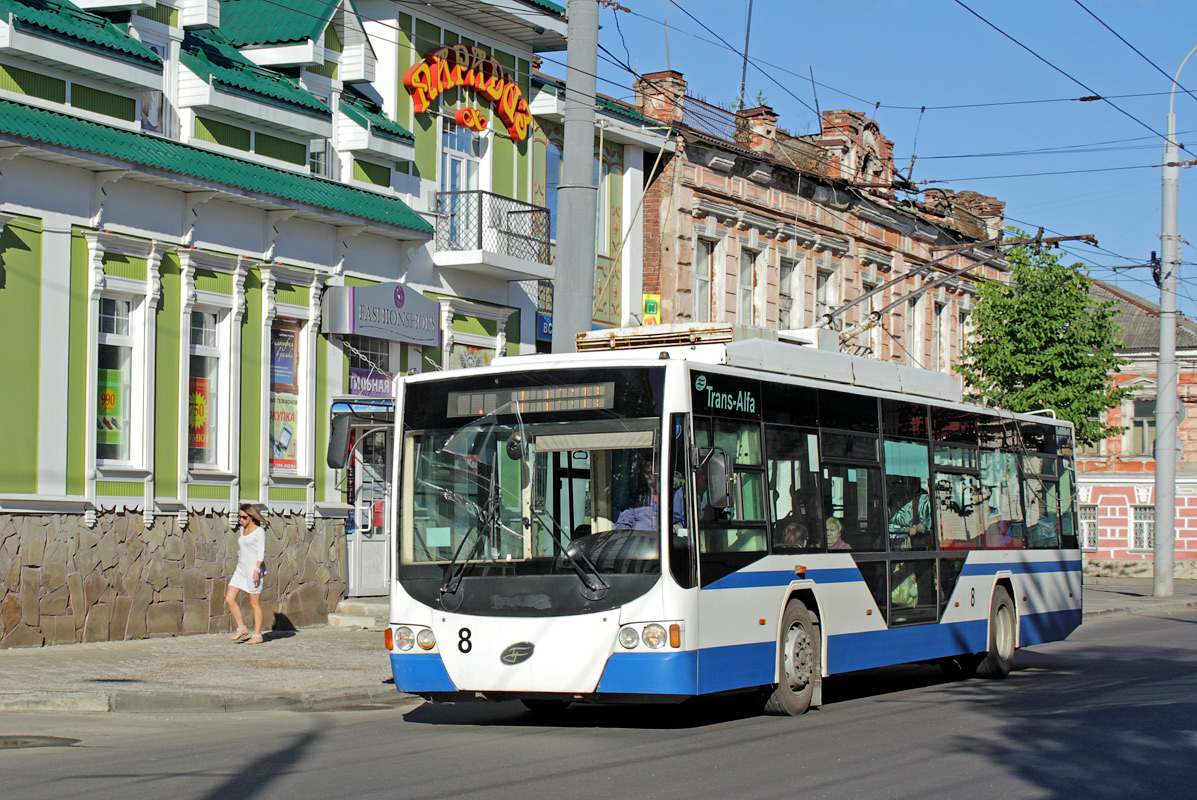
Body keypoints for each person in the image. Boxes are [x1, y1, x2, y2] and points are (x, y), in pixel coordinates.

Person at [225, 503, 267, 644]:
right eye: (240, 517)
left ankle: (257, 635)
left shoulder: (259, 531)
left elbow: (261, 552)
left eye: (244, 517)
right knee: (229, 598)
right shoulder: (242, 530)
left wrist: (257, 570)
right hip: (240, 569)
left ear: (251, 516)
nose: (241, 520)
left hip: (252, 570)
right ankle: (242, 628)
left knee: (254, 603)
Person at [615, 462, 684, 531]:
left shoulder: (677, 494)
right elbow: (623, 523)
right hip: (638, 538)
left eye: (651, 472)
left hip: (665, 540)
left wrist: (672, 530)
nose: (648, 476)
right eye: (646, 472)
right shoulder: (639, 496)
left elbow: (685, 523)